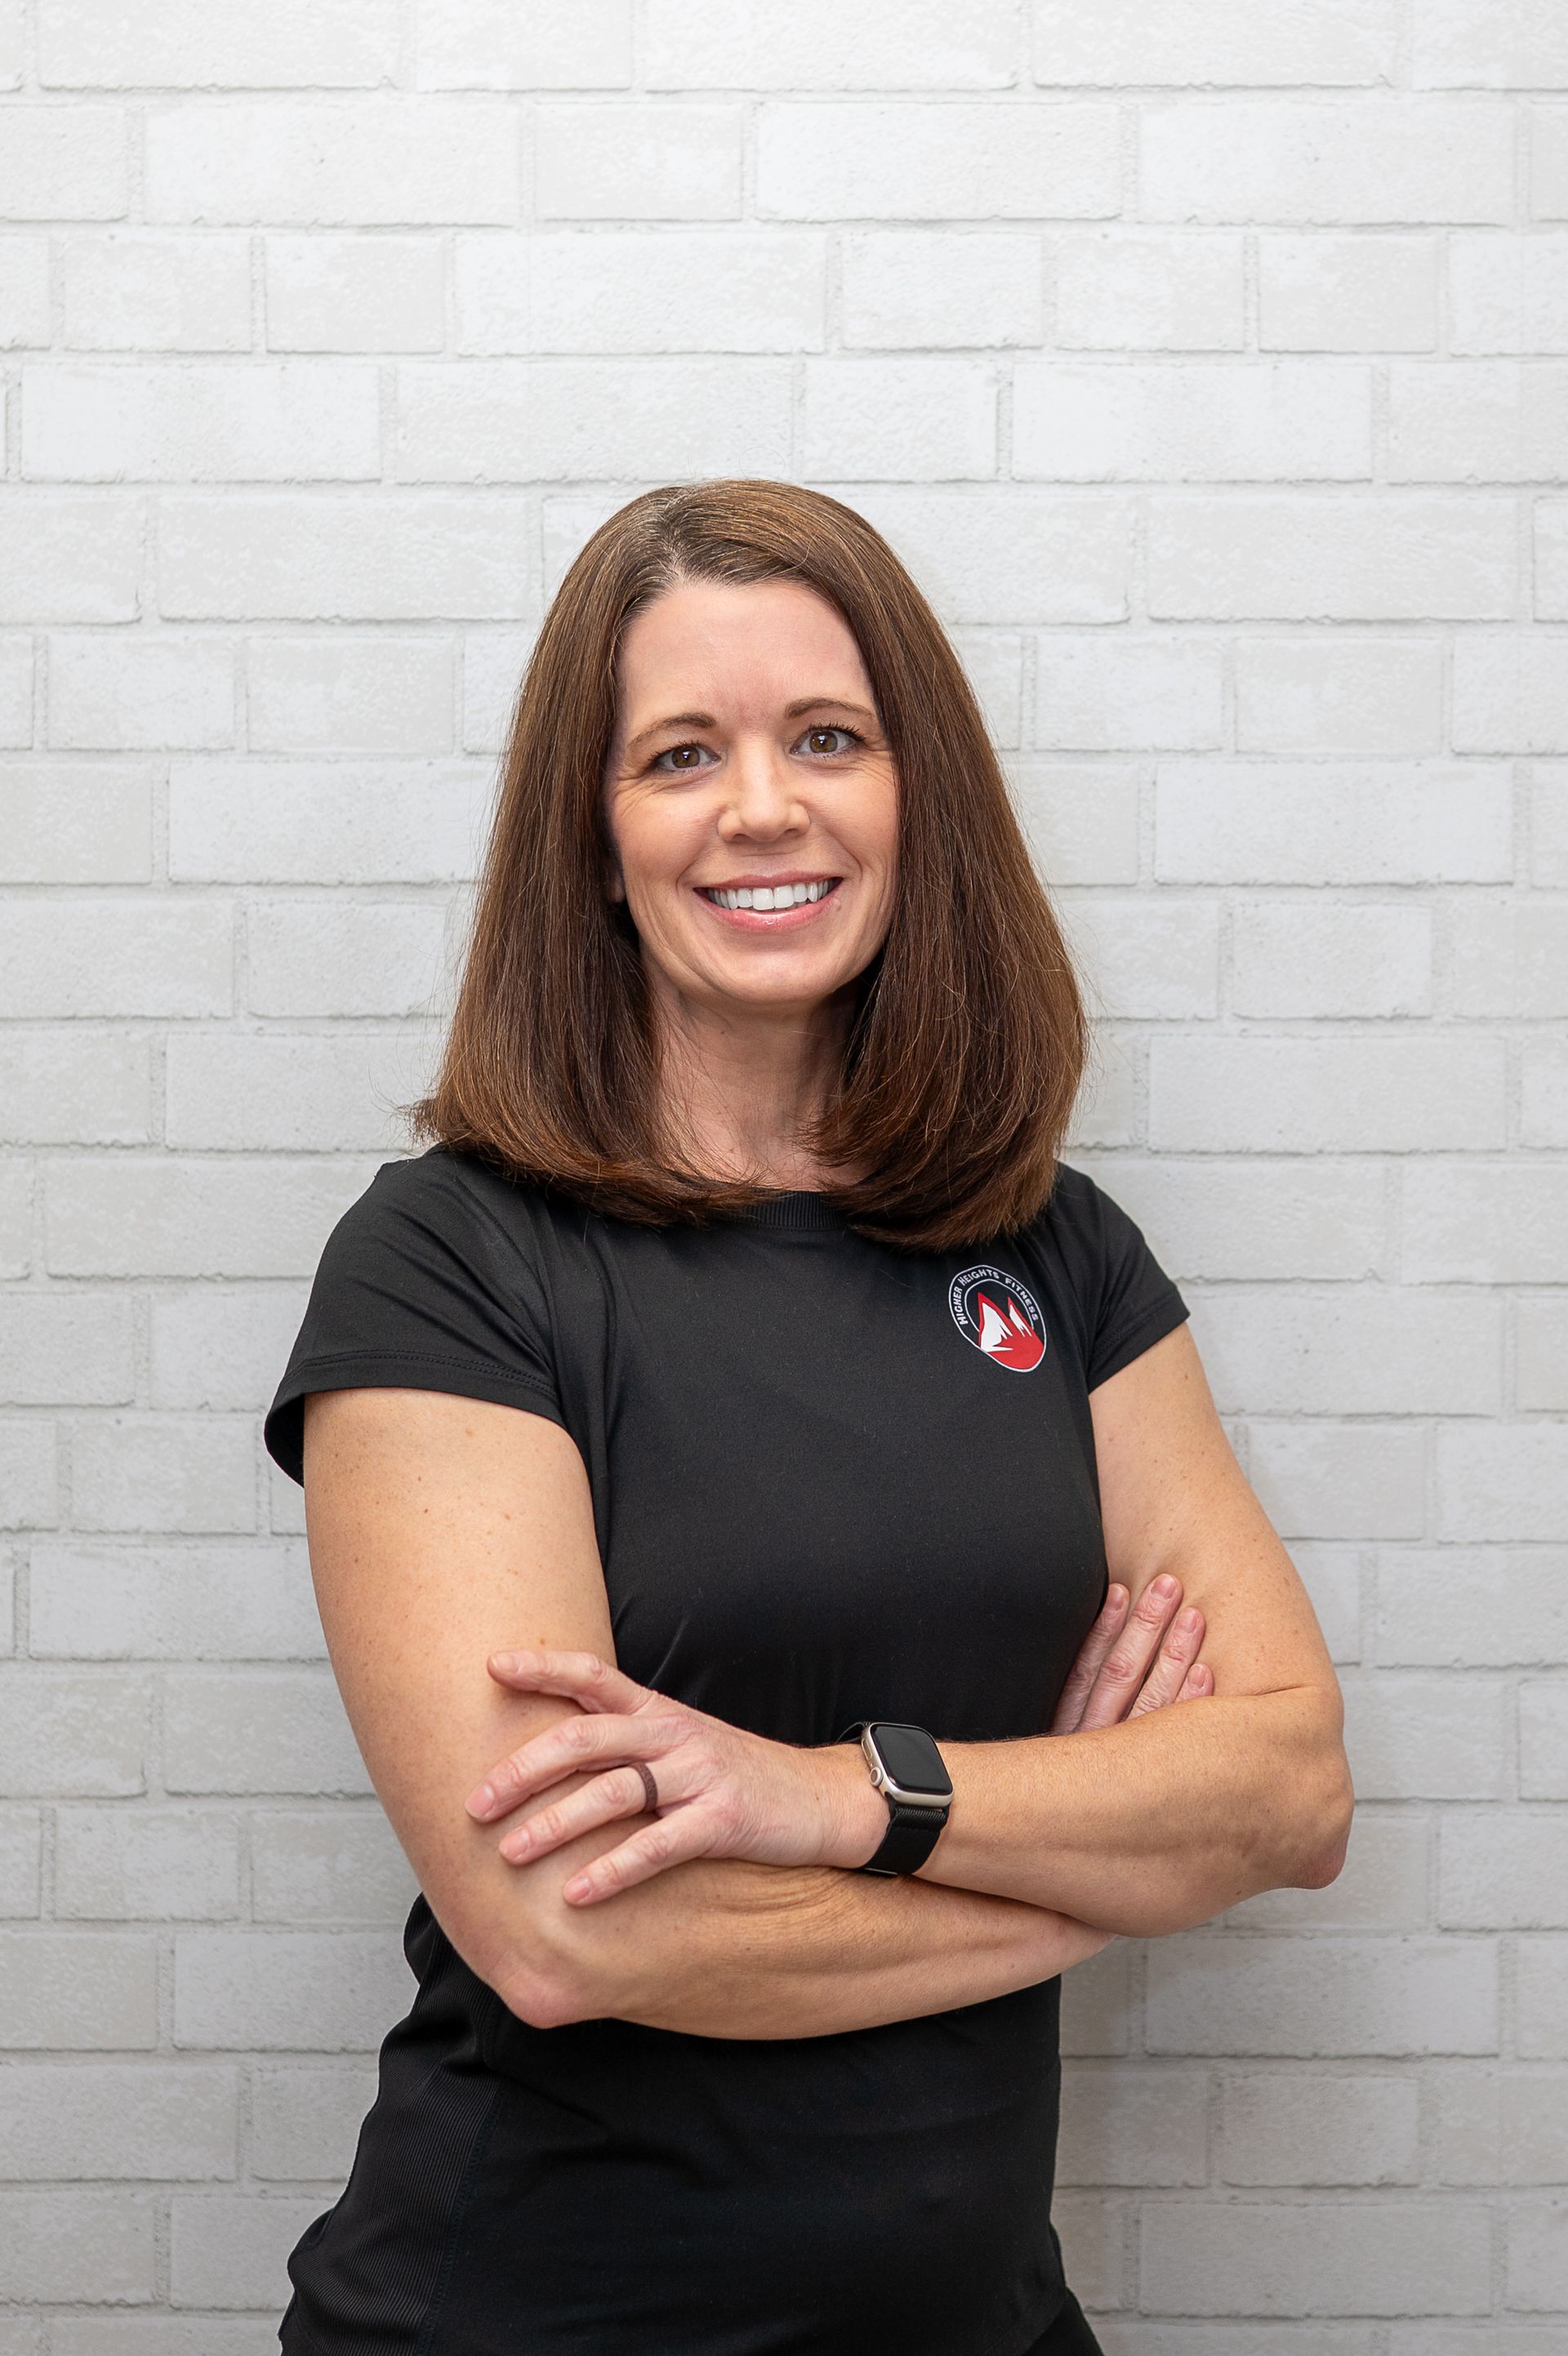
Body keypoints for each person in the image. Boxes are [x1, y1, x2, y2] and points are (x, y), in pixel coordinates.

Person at [262, 478, 1353, 2356]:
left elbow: (1294, 1790)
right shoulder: (452, 1262)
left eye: (828, 739)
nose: (763, 805)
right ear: (594, 841)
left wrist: (838, 1797)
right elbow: (566, 1931)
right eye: (681, 754)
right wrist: (1095, 1878)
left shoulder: (1058, 1252)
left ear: (918, 799)